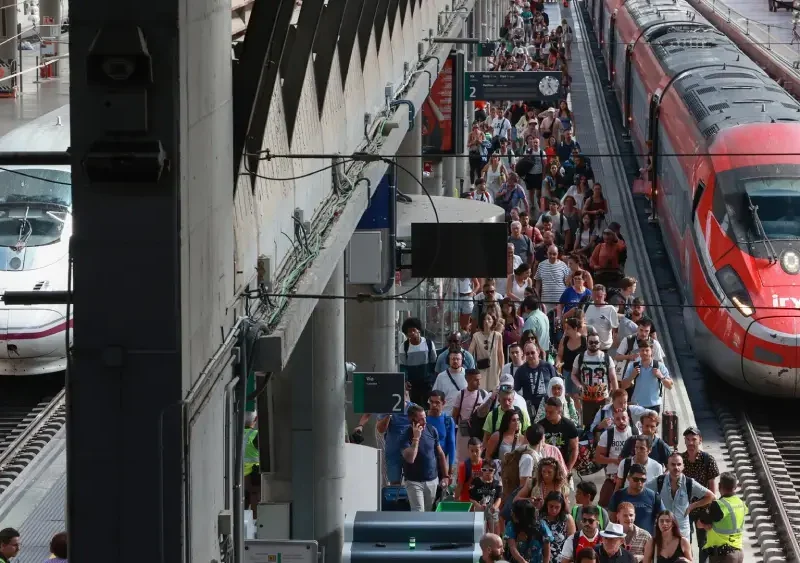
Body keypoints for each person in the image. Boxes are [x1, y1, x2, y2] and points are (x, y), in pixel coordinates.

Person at [647, 452, 714, 539]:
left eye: (679, 464)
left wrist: (692, 506)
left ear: (683, 466)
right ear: (668, 466)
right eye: (673, 464)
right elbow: (643, 490)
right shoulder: (659, 481)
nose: (676, 468)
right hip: (663, 532)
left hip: (682, 533)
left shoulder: (689, 483)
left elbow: (711, 496)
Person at [401, 404, 451, 511]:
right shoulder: (405, 434)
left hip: (431, 479)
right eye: (421, 419)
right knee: (418, 512)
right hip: (414, 481)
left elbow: (441, 454)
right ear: (412, 420)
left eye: (425, 418)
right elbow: (410, 458)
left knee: (428, 513)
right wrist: (416, 438)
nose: (425, 422)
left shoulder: (431, 430)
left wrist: (446, 475)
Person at [696, 472, 747, 563]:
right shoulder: (741, 503)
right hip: (738, 553)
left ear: (719, 486)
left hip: (723, 555)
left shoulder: (719, 505)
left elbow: (700, 523)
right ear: (735, 487)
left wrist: (704, 525)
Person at [608, 464, 666, 535]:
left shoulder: (653, 496)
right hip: (622, 541)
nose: (639, 482)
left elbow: (664, 518)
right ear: (628, 478)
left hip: (646, 541)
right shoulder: (618, 495)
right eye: (636, 479)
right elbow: (612, 520)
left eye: (643, 480)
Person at [506, 499, 554, 563]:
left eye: (514, 512)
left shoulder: (541, 526)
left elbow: (546, 551)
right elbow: (512, 547)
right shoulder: (511, 525)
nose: (511, 513)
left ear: (522, 516)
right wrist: (523, 561)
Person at [243, 412, 261, 517]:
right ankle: (254, 520)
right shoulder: (256, 435)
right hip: (252, 476)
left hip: (236, 474)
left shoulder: (233, 433)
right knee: (254, 496)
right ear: (255, 419)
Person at [456, 437, 484, 501]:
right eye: (472, 451)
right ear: (468, 450)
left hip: (481, 502)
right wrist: (456, 500)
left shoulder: (485, 465)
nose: (474, 453)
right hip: (466, 501)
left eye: (477, 451)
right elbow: (460, 485)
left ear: (481, 449)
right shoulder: (464, 466)